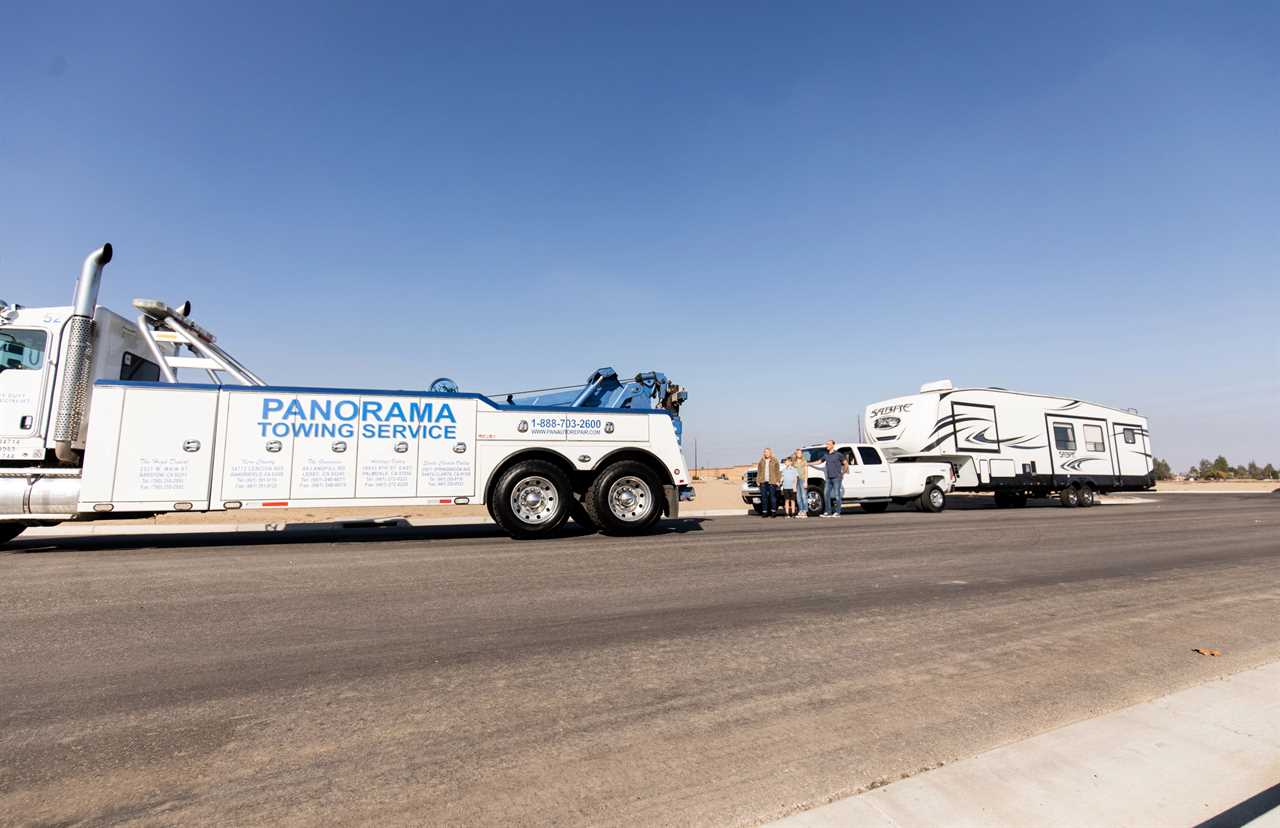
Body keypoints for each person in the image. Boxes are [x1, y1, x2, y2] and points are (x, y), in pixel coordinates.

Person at [820, 440, 848, 517]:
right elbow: (819, 461)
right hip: (828, 478)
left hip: (837, 478)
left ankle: (837, 512)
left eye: (828, 444)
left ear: (833, 445)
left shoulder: (838, 455)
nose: (827, 445)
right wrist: (808, 463)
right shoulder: (826, 455)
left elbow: (845, 463)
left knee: (837, 495)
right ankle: (828, 512)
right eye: (826, 444)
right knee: (826, 494)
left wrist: (843, 473)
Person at [756, 447, 781, 517]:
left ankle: (773, 512)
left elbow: (777, 472)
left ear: (770, 453)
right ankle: (765, 512)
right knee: (764, 497)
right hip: (763, 481)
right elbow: (759, 471)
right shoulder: (761, 461)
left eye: (767, 452)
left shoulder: (775, 460)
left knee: (772, 497)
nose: (766, 453)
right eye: (765, 452)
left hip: (772, 481)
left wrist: (778, 480)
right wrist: (757, 480)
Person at [790, 449, 811, 518]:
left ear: (802, 454)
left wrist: (806, 481)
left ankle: (805, 511)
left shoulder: (804, 462)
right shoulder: (794, 463)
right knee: (798, 497)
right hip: (796, 480)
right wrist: (793, 484)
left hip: (802, 480)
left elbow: (806, 472)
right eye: (797, 453)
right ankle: (801, 510)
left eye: (800, 453)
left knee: (803, 496)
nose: (799, 454)